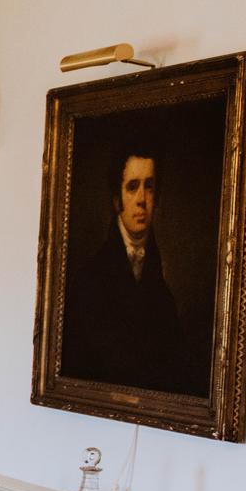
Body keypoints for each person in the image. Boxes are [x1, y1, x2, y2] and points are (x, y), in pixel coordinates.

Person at [62, 151, 200, 395]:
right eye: (133, 187)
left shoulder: (161, 287)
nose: (141, 200)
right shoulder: (89, 281)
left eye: (149, 187)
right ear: (117, 200)